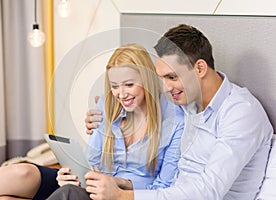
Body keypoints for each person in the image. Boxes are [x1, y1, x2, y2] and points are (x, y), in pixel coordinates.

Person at [82, 24, 274, 200]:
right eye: (162, 78)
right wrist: (104, 113)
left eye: (172, 77)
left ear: (199, 68)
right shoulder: (186, 106)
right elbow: (143, 105)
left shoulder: (240, 113)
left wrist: (123, 196)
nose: (166, 88)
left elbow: (209, 190)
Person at [0, 43, 184, 200]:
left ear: (147, 80)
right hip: (91, 188)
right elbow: (92, 164)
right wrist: (72, 174)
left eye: (129, 84)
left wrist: (119, 184)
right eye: (114, 86)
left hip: (121, 195)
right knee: (21, 174)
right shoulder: (107, 107)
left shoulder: (174, 121)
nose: (121, 94)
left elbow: (164, 187)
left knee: (67, 193)